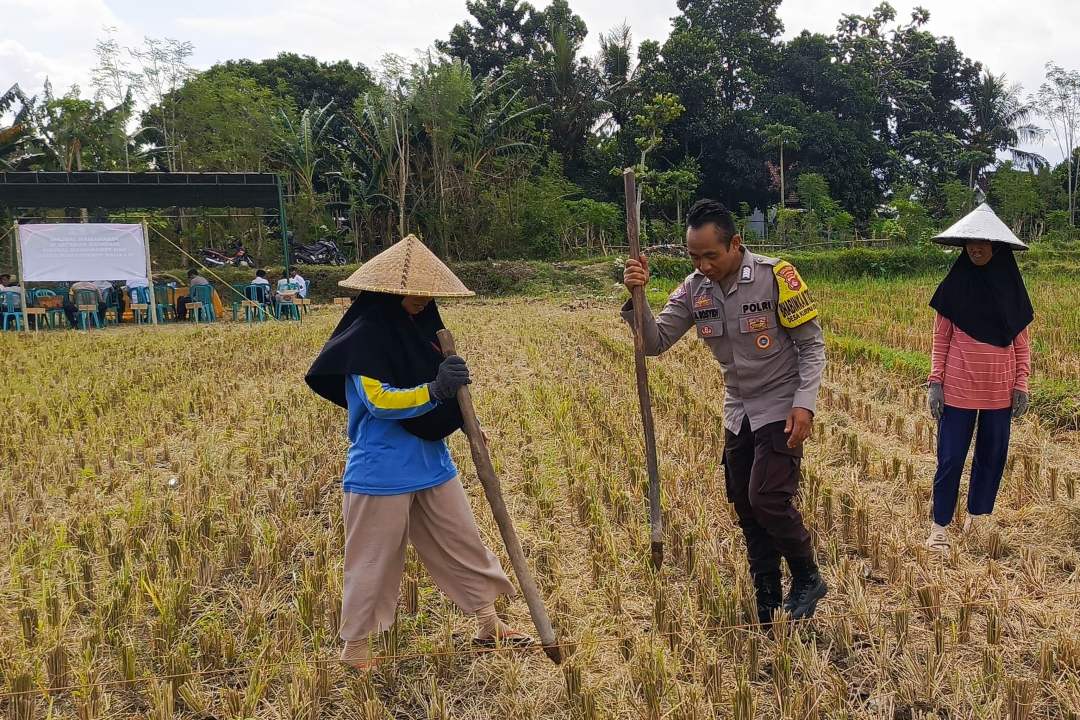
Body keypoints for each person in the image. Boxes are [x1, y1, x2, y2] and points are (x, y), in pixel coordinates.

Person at [305, 235, 529, 672]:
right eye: (415, 291)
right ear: (388, 292)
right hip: (381, 471)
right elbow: (379, 402)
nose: (423, 299)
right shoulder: (364, 339)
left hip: (432, 463)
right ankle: (356, 650)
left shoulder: (425, 334)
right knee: (374, 560)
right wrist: (436, 389)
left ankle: (488, 624)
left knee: (463, 543)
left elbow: (446, 395)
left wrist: (467, 422)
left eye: (429, 293)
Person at [621, 199, 827, 626]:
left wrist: (804, 403)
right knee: (746, 507)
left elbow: (811, 346)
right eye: (694, 257)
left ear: (736, 243)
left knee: (766, 497)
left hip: (780, 403)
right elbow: (655, 343)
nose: (703, 265)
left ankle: (807, 577)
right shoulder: (694, 289)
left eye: (711, 255)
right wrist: (637, 296)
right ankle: (767, 597)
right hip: (738, 410)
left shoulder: (777, 276)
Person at [925, 203, 1033, 554]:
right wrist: (935, 383)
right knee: (950, 458)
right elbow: (941, 339)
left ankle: (977, 517)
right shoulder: (954, 288)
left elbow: (1022, 343)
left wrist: (1021, 383)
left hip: (999, 392)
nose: (975, 248)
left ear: (996, 246)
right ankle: (940, 526)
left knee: (992, 456)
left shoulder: (1012, 292)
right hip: (958, 390)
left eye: (983, 242)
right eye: (970, 242)